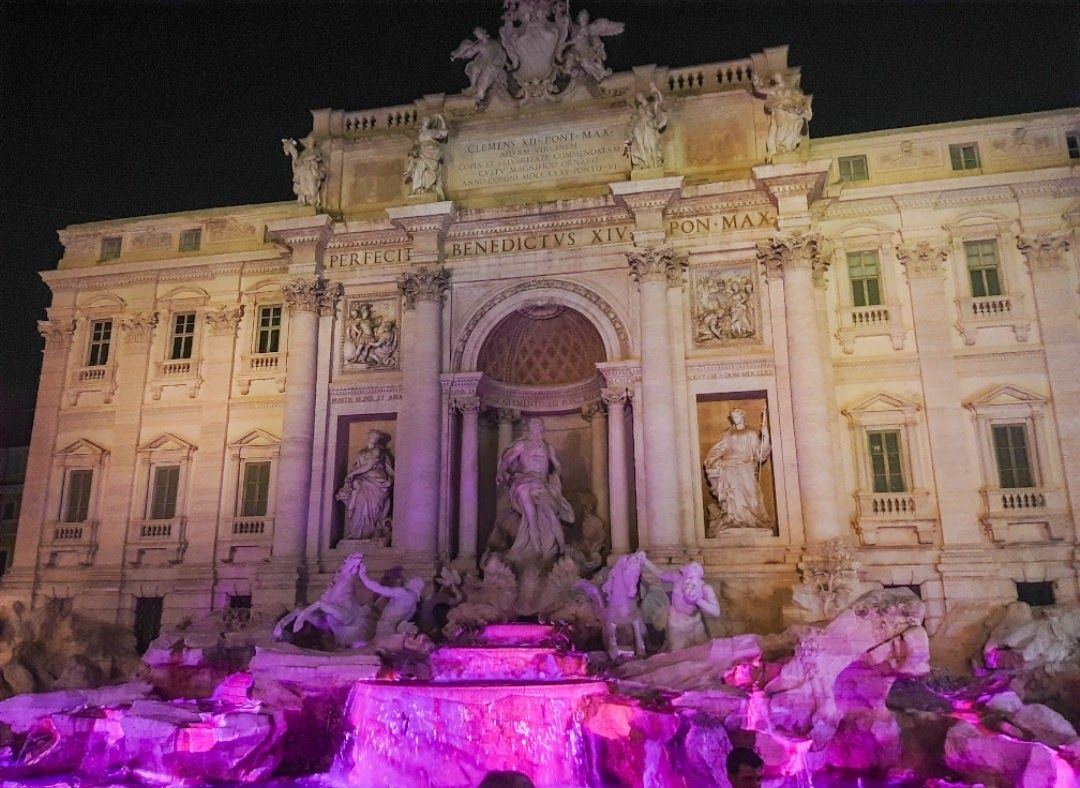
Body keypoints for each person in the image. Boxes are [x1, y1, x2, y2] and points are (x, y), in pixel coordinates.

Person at [496, 417, 575, 564]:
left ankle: (562, 546)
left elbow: (557, 466)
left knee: (551, 513)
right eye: (533, 425)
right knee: (530, 515)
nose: (536, 428)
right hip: (524, 481)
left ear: (541, 428)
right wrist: (501, 472)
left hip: (542, 483)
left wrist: (556, 474)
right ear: (529, 428)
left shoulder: (548, 448)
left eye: (538, 425)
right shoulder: (522, 445)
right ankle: (538, 551)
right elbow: (506, 461)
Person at [704, 407, 772, 531]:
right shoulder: (727, 433)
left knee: (752, 496)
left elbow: (760, 454)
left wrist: (766, 437)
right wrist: (711, 462)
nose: (735, 419)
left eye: (737, 416)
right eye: (733, 417)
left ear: (743, 416)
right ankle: (733, 519)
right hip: (728, 467)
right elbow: (720, 449)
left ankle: (752, 520)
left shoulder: (751, 433)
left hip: (745, 467)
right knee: (731, 495)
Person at [336, 430, 394, 540]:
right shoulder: (361, 452)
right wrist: (353, 477)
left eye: (376, 437)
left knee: (374, 508)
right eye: (372, 436)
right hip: (362, 482)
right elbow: (357, 466)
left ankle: (370, 532)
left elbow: (369, 465)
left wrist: (352, 474)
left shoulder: (378, 450)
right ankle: (358, 532)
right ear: (369, 437)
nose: (374, 438)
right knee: (360, 505)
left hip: (377, 483)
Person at [355, 558, 424, 640]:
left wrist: (362, 575)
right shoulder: (414, 604)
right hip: (395, 629)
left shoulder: (402, 593)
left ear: (412, 583)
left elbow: (377, 588)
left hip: (386, 627)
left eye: (408, 580)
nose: (405, 582)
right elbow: (404, 620)